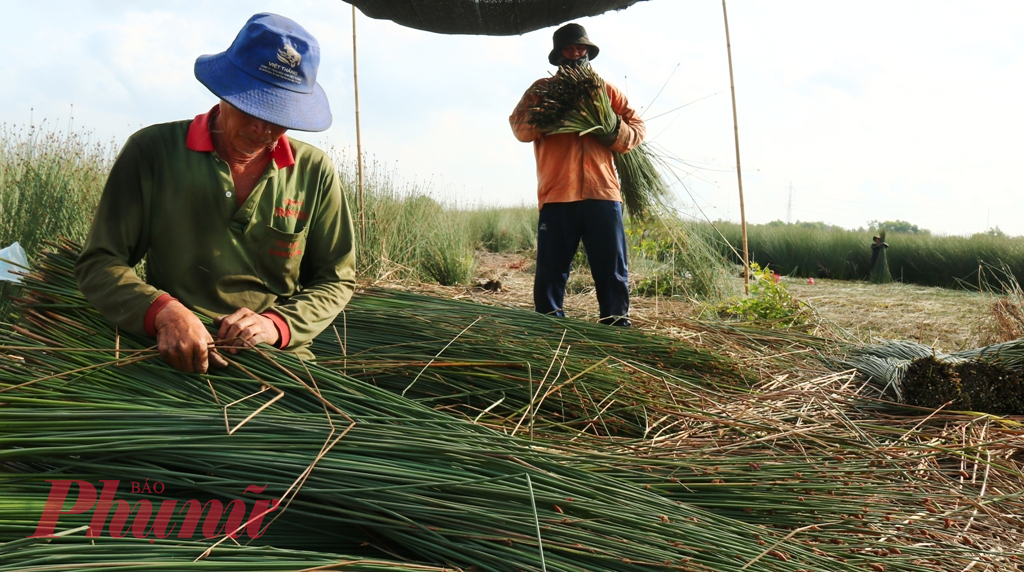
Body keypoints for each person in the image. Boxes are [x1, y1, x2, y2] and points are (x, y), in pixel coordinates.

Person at [74, 13, 356, 373]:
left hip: (276, 363)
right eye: (253, 106)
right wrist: (164, 312)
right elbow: (99, 263)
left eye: (279, 114)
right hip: (172, 354)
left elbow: (336, 278)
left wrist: (275, 325)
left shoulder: (314, 171)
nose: (262, 128)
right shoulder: (153, 153)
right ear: (226, 90)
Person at [509, 23, 645, 326]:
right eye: (569, 49)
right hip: (558, 193)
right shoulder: (540, 91)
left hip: (602, 193)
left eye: (580, 48)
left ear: (588, 52)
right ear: (559, 55)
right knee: (551, 269)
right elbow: (518, 127)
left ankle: (615, 325)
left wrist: (613, 132)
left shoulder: (605, 90)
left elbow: (637, 128)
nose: (576, 53)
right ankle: (549, 327)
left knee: (611, 268)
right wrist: (550, 116)